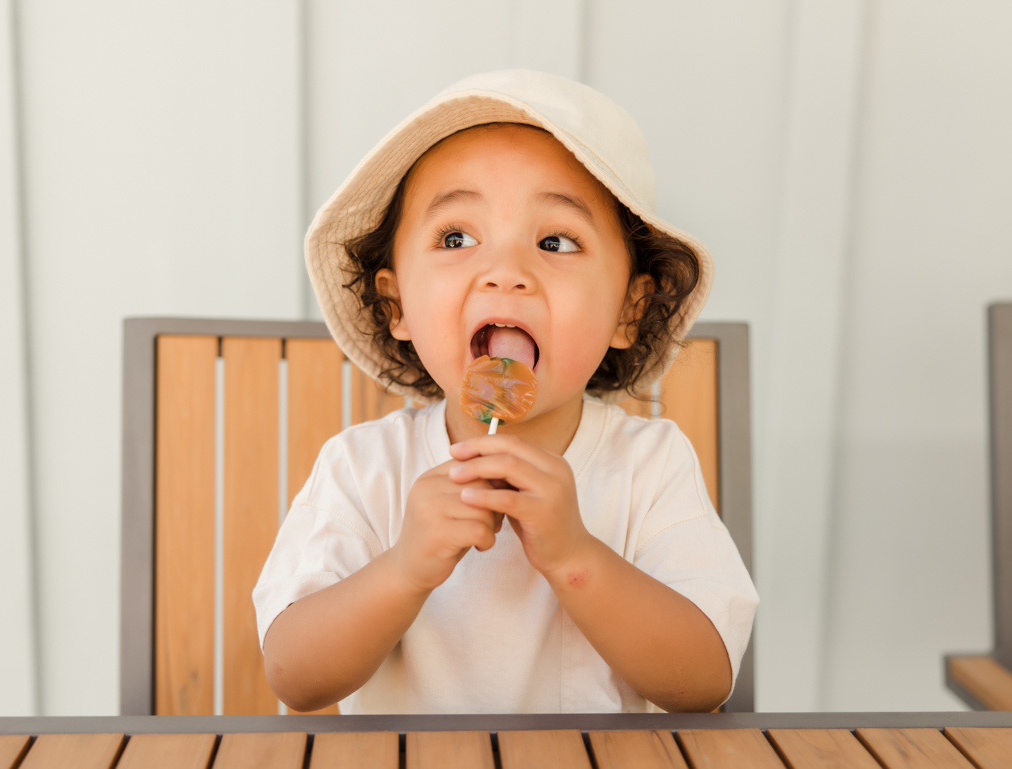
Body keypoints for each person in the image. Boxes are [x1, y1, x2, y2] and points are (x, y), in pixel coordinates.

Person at [253, 70, 758, 714]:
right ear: (396, 303)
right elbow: (294, 674)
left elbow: (704, 680)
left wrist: (575, 557)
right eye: (456, 238)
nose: (506, 273)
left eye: (555, 241)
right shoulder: (362, 469)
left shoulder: (650, 466)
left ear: (630, 309)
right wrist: (405, 567)